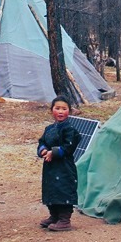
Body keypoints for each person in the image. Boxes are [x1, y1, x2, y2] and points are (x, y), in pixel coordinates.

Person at [37, 96, 81, 231]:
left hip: (64, 167)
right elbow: (42, 141)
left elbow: (69, 146)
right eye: (57, 108)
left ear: (69, 111)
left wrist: (53, 152)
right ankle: (54, 215)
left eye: (64, 109)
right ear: (52, 111)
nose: (60, 111)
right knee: (52, 189)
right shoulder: (49, 128)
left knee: (63, 189)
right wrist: (43, 150)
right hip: (50, 167)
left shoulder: (70, 129)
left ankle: (64, 219)